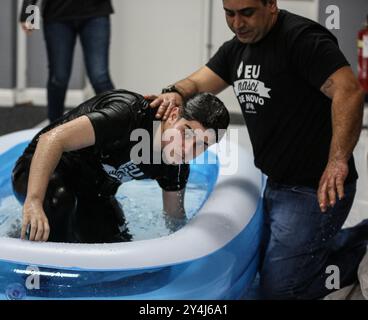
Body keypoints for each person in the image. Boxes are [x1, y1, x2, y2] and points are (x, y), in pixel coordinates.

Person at [147, 0, 368, 299]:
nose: (238, 23)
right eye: (229, 13)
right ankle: (325, 245)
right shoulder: (236, 48)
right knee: (264, 266)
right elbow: (197, 82)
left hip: (314, 188)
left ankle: (360, 241)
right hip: (276, 183)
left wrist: (338, 160)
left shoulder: (301, 39)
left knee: (280, 290)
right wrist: (176, 92)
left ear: (271, 5)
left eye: (247, 13)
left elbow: (349, 91)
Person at [11, 90, 229, 244]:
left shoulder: (176, 165)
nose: (187, 148)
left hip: (93, 192)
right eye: (187, 132)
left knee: (118, 244)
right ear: (173, 116)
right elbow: (51, 140)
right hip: (39, 167)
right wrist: (33, 201)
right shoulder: (129, 114)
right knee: (59, 200)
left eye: (202, 144)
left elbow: (174, 218)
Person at [20, 0, 115, 122]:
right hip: (56, 14)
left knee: (100, 77)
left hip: (96, 12)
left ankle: (118, 125)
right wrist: (28, 13)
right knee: (58, 79)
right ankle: (53, 127)